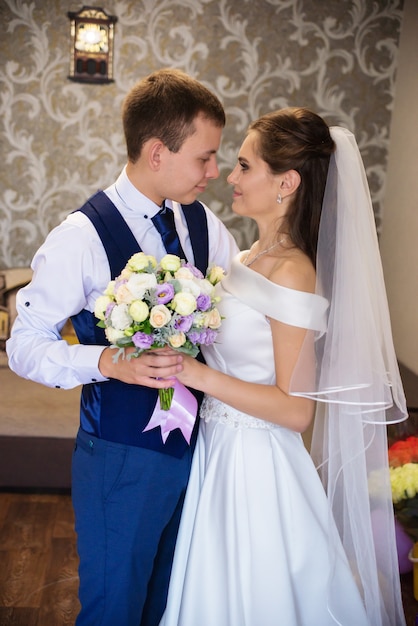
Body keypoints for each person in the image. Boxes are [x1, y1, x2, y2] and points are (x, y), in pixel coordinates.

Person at [6, 68, 238, 626]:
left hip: (199, 450)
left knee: (171, 604)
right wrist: (106, 361)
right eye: (204, 158)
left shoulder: (204, 224)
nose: (215, 172)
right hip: (119, 459)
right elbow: (24, 345)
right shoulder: (80, 237)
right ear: (157, 152)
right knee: (115, 609)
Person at [159, 107, 408, 625]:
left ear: (286, 182)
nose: (230, 176)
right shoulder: (251, 257)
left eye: (245, 166)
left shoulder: (293, 272)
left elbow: (296, 410)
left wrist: (199, 376)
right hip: (218, 448)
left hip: (256, 463)